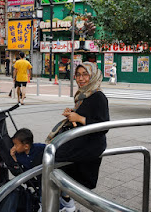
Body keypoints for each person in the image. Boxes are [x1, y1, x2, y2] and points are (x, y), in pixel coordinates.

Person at [46, 62, 109, 212]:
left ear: (93, 76)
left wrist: (79, 118)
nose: (81, 78)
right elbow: (85, 115)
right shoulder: (85, 94)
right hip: (82, 140)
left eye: (85, 74)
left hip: (90, 145)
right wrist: (73, 113)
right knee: (52, 154)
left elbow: (104, 126)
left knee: (54, 159)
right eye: (78, 75)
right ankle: (66, 201)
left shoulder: (98, 96)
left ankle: (62, 201)